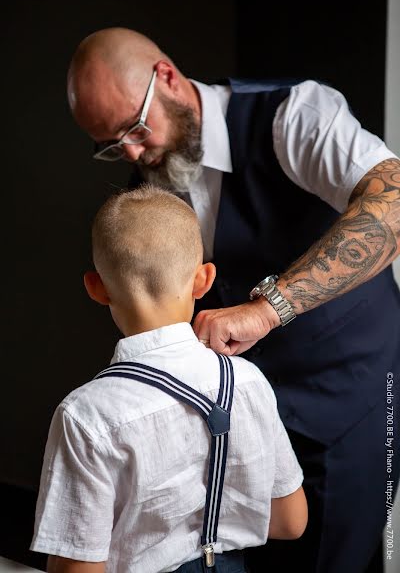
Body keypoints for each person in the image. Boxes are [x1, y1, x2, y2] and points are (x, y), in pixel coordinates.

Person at [66, 28, 400, 573]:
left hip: (348, 389)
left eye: (134, 127)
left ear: (167, 77)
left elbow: (397, 201)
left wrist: (270, 307)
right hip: (239, 408)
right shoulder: (146, 180)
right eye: (110, 144)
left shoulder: (294, 115)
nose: (130, 152)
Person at [30, 185, 307, 573]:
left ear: (96, 288)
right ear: (203, 280)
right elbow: (290, 522)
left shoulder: (86, 416)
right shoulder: (246, 381)